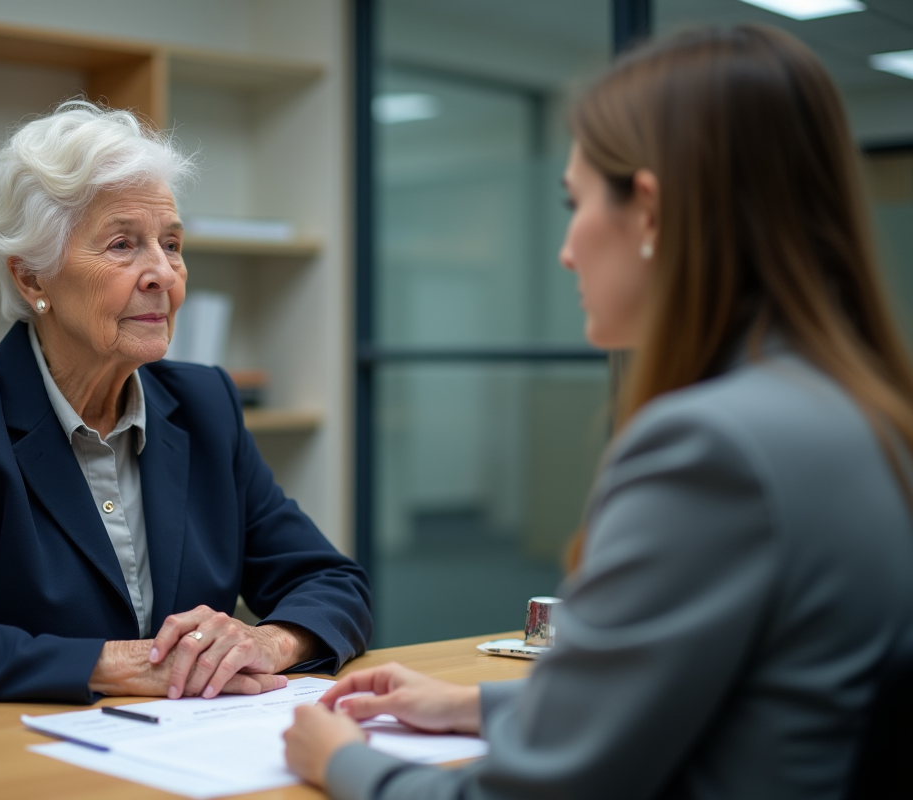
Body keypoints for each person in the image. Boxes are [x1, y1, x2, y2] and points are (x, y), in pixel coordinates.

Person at [284, 25, 913, 800]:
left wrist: (341, 760)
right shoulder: (864, 417)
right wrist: (471, 705)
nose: (566, 250)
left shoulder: (711, 449)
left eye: (574, 202)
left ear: (648, 213)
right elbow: (721, 694)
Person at [0, 101, 371, 708]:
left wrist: (266, 641)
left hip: (189, 744)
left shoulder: (205, 403)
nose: (163, 274)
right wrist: (124, 664)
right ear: (32, 278)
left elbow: (333, 581)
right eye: (123, 245)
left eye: (172, 244)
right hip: (24, 751)